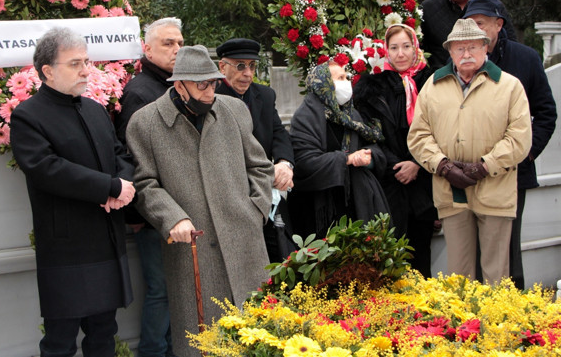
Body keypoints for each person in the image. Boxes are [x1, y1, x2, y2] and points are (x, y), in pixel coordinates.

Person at [127, 45, 273, 357]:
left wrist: (256, 210)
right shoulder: (145, 123)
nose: (210, 92)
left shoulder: (235, 110)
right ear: (178, 85)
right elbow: (144, 183)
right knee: (201, 341)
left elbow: (260, 166)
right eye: (201, 85)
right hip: (191, 249)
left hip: (244, 243)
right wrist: (172, 217)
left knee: (259, 336)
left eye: (213, 83)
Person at [11, 28, 135, 357]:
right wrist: (108, 187)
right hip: (66, 247)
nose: (85, 70)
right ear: (48, 70)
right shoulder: (27, 116)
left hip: (105, 240)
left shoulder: (95, 110)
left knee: (104, 335)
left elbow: (119, 154)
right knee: (60, 341)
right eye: (75, 63)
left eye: (87, 62)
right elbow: (46, 168)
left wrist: (123, 184)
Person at [408, 19, 531, 284]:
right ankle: (462, 325)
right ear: (449, 51)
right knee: (458, 274)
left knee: (496, 272)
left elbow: (519, 138)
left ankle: (496, 324)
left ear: (486, 48)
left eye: (473, 47)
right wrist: (443, 166)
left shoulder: (509, 86)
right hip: (451, 193)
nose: (466, 54)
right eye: (459, 48)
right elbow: (418, 136)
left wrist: (483, 167)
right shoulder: (433, 85)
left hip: (495, 189)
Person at [463, 0, 557, 289]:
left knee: (508, 250)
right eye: (468, 24)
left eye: (479, 24)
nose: (474, 31)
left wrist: (527, 154)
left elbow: (546, 112)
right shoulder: (460, 58)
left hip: (512, 172)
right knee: (471, 250)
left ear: (498, 25)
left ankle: (512, 313)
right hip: (467, 171)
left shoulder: (525, 58)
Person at [114, 17, 183, 357]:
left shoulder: (175, 85)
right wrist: (135, 212)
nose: (176, 49)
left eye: (180, 43)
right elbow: (132, 155)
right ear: (147, 48)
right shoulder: (140, 91)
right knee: (161, 291)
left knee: (174, 290)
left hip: (177, 207)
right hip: (154, 210)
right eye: (168, 43)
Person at [354, 24, 436, 277]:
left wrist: (417, 164)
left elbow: (442, 130)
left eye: (406, 46)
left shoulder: (433, 82)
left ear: (416, 48)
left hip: (424, 181)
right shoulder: (372, 87)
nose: (401, 54)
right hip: (389, 181)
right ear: (386, 51)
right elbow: (367, 132)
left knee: (421, 255)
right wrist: (396, 165)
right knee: (390, 255)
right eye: (394, 48)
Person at [288, 60, 389, 239]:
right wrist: (347, 159)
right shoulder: (305, 117)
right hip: (320, 210)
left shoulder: (351, 115)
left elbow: (373, 146)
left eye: (346, 77)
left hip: (356, 205)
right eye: (340, 78)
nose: (346, 82)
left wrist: (369, 157)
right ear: (323, 83)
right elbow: (305, 162)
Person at [215, 37, 295, 261]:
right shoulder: (213, 99)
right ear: (222, 67)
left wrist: (284, 164)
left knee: (278, 256)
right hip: (234, 197)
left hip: (267, 192)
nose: (248, 73)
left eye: (252, 66)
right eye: (240, 66)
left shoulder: (265, 95)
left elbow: (279, 133)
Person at [421, 0, 517, 69]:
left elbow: (509, 42)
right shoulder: (429, 8)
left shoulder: (491, 6)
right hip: (444, 77)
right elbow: (422, 50)